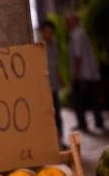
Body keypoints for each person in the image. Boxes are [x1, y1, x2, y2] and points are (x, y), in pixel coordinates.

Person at [66, 14, 104, 132]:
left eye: (68, 21)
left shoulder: (75, 35)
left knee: (79, 100)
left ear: (74, 22)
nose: (66, 24)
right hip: (90, 73)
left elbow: (78, 55)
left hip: (82, 74)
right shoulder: (82, 33)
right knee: (93, 99)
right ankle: (99, 122)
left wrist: (76, 74)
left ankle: (82, 124)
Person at [39, 20, 65, 149]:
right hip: (45, 87)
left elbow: (56, 64)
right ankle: (52, 143)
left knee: (58, 114)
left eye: (50, 32)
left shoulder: (54, 45)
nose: (48, 34)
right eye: (46, 32)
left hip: (54, 85)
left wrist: (60, 78)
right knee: (49, 115)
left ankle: (60, 140)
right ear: (42, 33)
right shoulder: (39, 47)